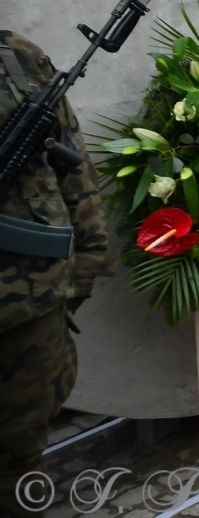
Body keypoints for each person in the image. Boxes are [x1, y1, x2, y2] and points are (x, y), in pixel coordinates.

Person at [0, 32, 109, 509]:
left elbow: (73, 169)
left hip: (32, 304)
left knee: (20, 459)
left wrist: (85, 264)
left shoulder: (16, 56)